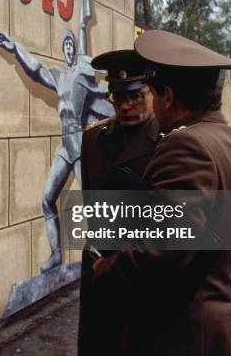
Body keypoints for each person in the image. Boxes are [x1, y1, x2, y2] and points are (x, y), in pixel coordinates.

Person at [89, 30, 231, 356]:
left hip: (183, 333)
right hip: (229, 326)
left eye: (151, 95)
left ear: (168, 96)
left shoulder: (185, 143)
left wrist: (106, 270)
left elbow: (160, 250)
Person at [0, 0, 113, 272]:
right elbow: (34, 71)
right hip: (65, 147)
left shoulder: (83, 72)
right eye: (66, 44)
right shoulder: (59, 78)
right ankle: (56, 254)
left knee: (93, 203)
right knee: (47, 200)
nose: (70, 46)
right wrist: (16, 47)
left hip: (82, 147)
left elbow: (83, 24)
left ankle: (105, 248)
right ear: (62, 50)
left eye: (73, 43)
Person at [77, 50, 159, 355]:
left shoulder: (170, 142)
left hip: (143, 271)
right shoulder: (93, 140)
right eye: (117, 96)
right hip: (101, 269)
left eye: (136, 96)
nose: (125, 106)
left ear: (153, 92)